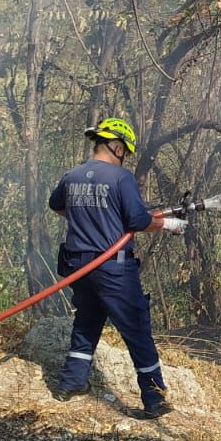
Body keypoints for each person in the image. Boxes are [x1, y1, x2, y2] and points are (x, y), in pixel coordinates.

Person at [48, 118, 186, 417]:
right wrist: (168, 224)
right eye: (124, 150)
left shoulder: (71, 175)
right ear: (116, 146)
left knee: (87, 319)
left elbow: (57, 206)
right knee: (136, 328)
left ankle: (70, 383)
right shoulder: (121, 178)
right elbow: (137, 221)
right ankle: (154, 398)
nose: (124, 155)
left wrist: (87, 217)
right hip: (112, 268)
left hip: (77, 265)